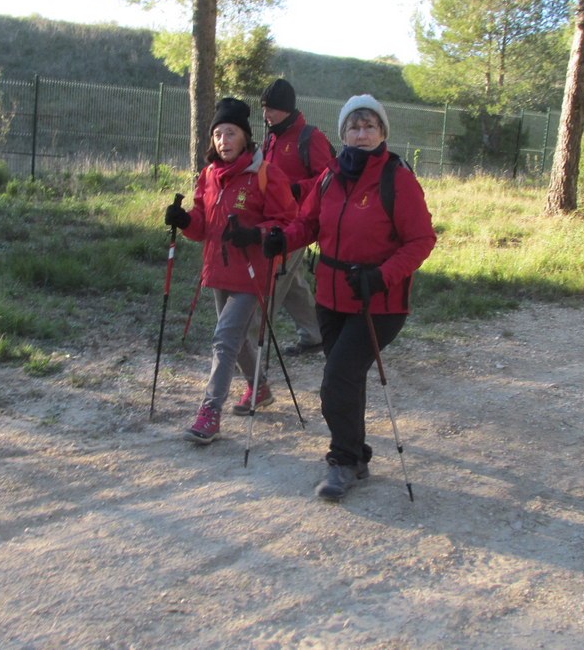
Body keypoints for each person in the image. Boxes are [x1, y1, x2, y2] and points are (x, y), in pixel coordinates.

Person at [263, 94, 436, 500]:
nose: (361, 134)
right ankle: (357, 454)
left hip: (379, 302)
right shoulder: (330, 176)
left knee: (336, 379)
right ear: (342, 133)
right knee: (347, 378)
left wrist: (380, 276)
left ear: (382, 133)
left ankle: (341, 462)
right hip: (332, 295)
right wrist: (278, 239)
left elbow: (421, 240)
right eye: (354, 127)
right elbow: (307, 223)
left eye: (369, 126)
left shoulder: (398, 179)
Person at [165, 97, 298, 444]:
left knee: (224, 340)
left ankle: (210, 413)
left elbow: (288, 222)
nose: (224, 140)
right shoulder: (209, 175)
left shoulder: (266, 174)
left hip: (253, 272)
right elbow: (202, 226)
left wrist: (256, 233)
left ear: (245, 138)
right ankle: (259, 386)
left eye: (231, 133)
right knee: (235, 342)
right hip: (218, 270)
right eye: (219, 134)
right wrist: (184, 221)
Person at [257, 78, 336, 356]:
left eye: (271, 109)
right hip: (272, 220)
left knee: (274, 277)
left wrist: (294, 188)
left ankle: (250, 338)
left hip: (297, 223)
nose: (266, 115)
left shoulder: (310, 138)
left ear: (287, 109)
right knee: (292, 282)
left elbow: (328, 180)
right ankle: (315, 335)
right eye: (264, 108)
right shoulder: (272, 137)